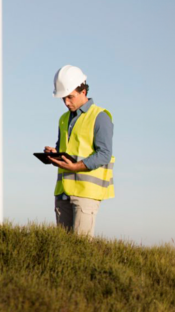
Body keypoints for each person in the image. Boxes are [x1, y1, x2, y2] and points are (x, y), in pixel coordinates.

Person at [44, 65, 114, 238]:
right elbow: (66, 148)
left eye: (70, 97)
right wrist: (55, 153)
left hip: (86, 194)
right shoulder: (64, 118)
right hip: (63, 192)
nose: (66, 102)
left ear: (83, 91)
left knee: (80, 249)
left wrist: (76, 166)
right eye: (63, 99)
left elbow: (104, 153)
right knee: (63, 250)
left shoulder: (100, 117)